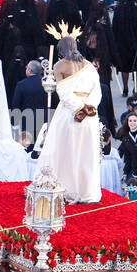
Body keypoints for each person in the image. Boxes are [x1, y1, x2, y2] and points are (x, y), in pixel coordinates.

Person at [37, 25, 102, 203]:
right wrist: (89, 107)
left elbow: (63, 93)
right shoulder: (89, 65)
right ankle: (85, 190)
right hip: (90, 114)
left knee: (65, 150)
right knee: (86, 153)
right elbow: (97, 91)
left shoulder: (59, 65)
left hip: (69, 114)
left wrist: (78, 109)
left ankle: (65, 188)